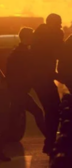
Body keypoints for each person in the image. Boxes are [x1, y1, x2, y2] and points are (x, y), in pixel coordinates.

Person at [0, 27, 47, 161]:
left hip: (17, 91)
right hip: (19, 92)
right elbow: (27, 73)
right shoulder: (22, 53)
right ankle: (52, 140)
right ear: (27, 38)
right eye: (32, 36)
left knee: (16, 120)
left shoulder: (18, 52)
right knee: (34, 114)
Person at [31, 14, 64, 156]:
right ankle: (50, 143)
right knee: (54, 110)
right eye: (58, 24)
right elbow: (59, 53)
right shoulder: (49, 35)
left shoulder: (40, 33)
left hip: (41, 78)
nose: (59, 27)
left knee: (52, 110)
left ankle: (49, 142)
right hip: (42, 78)